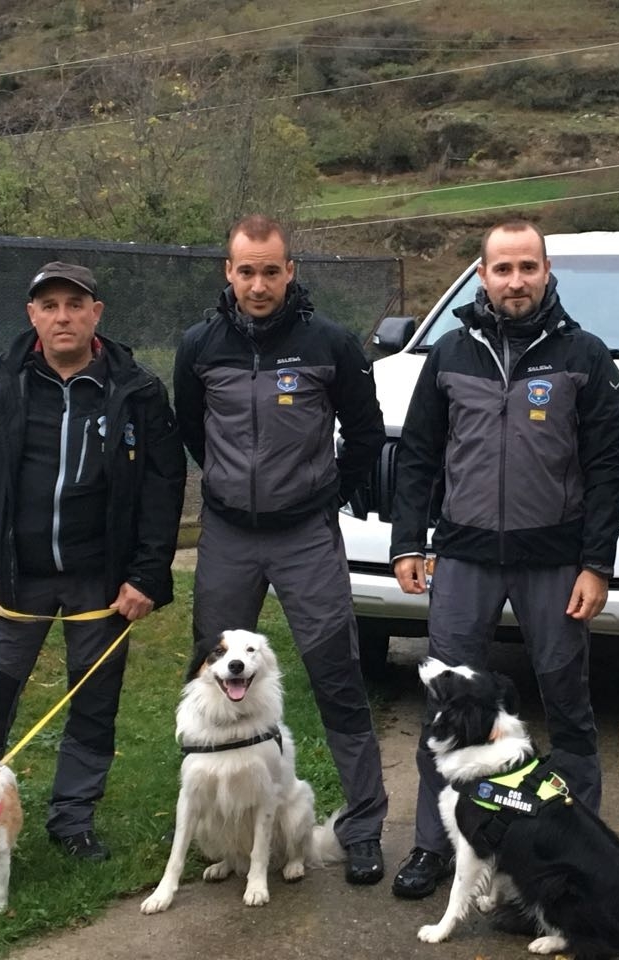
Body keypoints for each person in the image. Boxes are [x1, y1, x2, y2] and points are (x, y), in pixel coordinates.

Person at [0, 261, 187, 869]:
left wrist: (147, 575)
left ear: (96, 314)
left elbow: (164, 487)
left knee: (93, 700)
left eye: (74, 305)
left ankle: (73, 820)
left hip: (99, 580)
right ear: (32, 315)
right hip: (15, 576)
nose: (62, 317)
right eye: (49, 305)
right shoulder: (4, 380)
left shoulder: (136, 388)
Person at [388, 218, 619, 899]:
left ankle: (576, 846)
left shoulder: (585, 356)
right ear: (481, 274)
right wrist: (409, 541)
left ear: (547, 272)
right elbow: (419, 457)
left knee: (568, 703)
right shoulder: (450, 355)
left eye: (528, 267)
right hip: (463, 556)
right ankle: (435, 847)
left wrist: (597, 563)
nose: (515, 280)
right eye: (503, 268)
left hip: (554, 561)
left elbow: (607, 469)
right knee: (447, 709)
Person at [172, 214, 389, 885]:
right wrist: (236, 488)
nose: (259, 284)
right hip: (231, 535)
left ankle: (364, 827)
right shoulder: (200, 345)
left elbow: (365, 428)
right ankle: (208, 824)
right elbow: (192, 428)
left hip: (305, 536)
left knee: (337, 675)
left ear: (290, 270)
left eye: (271, 270)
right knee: (212, 676)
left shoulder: (329, 343)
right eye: (246, 271)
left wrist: (326, 494)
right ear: (228, 273)